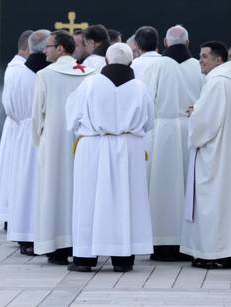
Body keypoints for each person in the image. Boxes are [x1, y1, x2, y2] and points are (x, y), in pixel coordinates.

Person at [66, 43, 154, 273]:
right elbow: (150, 122)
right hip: (129, 146)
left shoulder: (90, 83)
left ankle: (85, 258)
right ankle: (123, 258)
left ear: (106, 61)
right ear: (131, 62)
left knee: (89, 201)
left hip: (94, 145)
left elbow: (72, 117)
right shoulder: (140, 87)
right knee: (127, 201)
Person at [181, 41, 231, 269]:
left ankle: (216, 253)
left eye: (204, 56)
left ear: (219, 60)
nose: (200, 60)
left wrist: (194, 114)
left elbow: (205, 124)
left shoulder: (216, 83)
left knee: (215, 203)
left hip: (216, 157)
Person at [32, 30, 95, 265]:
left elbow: (37, 114)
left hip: (55, 142)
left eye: (48, 46)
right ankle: (81, 243)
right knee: (81, 193)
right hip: (83, 142)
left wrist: (40, 143)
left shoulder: (45, 75)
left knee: (53, 192)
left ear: (60, 49)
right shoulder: (89, 73)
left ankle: (56, 247)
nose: (44, 50)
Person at [140, 33, 190, 262]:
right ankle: (184, 241)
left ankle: (160, 241)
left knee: (161, 189)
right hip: (186, 130)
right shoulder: (192, 67)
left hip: (160, 132)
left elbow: (148, 99)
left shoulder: (158, 66)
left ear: (166, 44)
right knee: (183, 188)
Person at [5, 30, 51, 255]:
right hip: (46, 134)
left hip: (23, 133)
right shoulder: (50, 73)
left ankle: (24, 233)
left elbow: (9, 108)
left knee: (24, 183)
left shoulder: (16, 74)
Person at [0, 30, 32, 227]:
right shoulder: (19, 69)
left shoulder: (16, 68)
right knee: (14, 171)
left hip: (17, 124)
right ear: (28, 47)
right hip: (19, 125)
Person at [163, 25, 204, 178]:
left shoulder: (156, 67)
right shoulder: (200, 67)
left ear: (165, 42)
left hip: (163, 131)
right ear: (187, 43)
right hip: (191, 129)